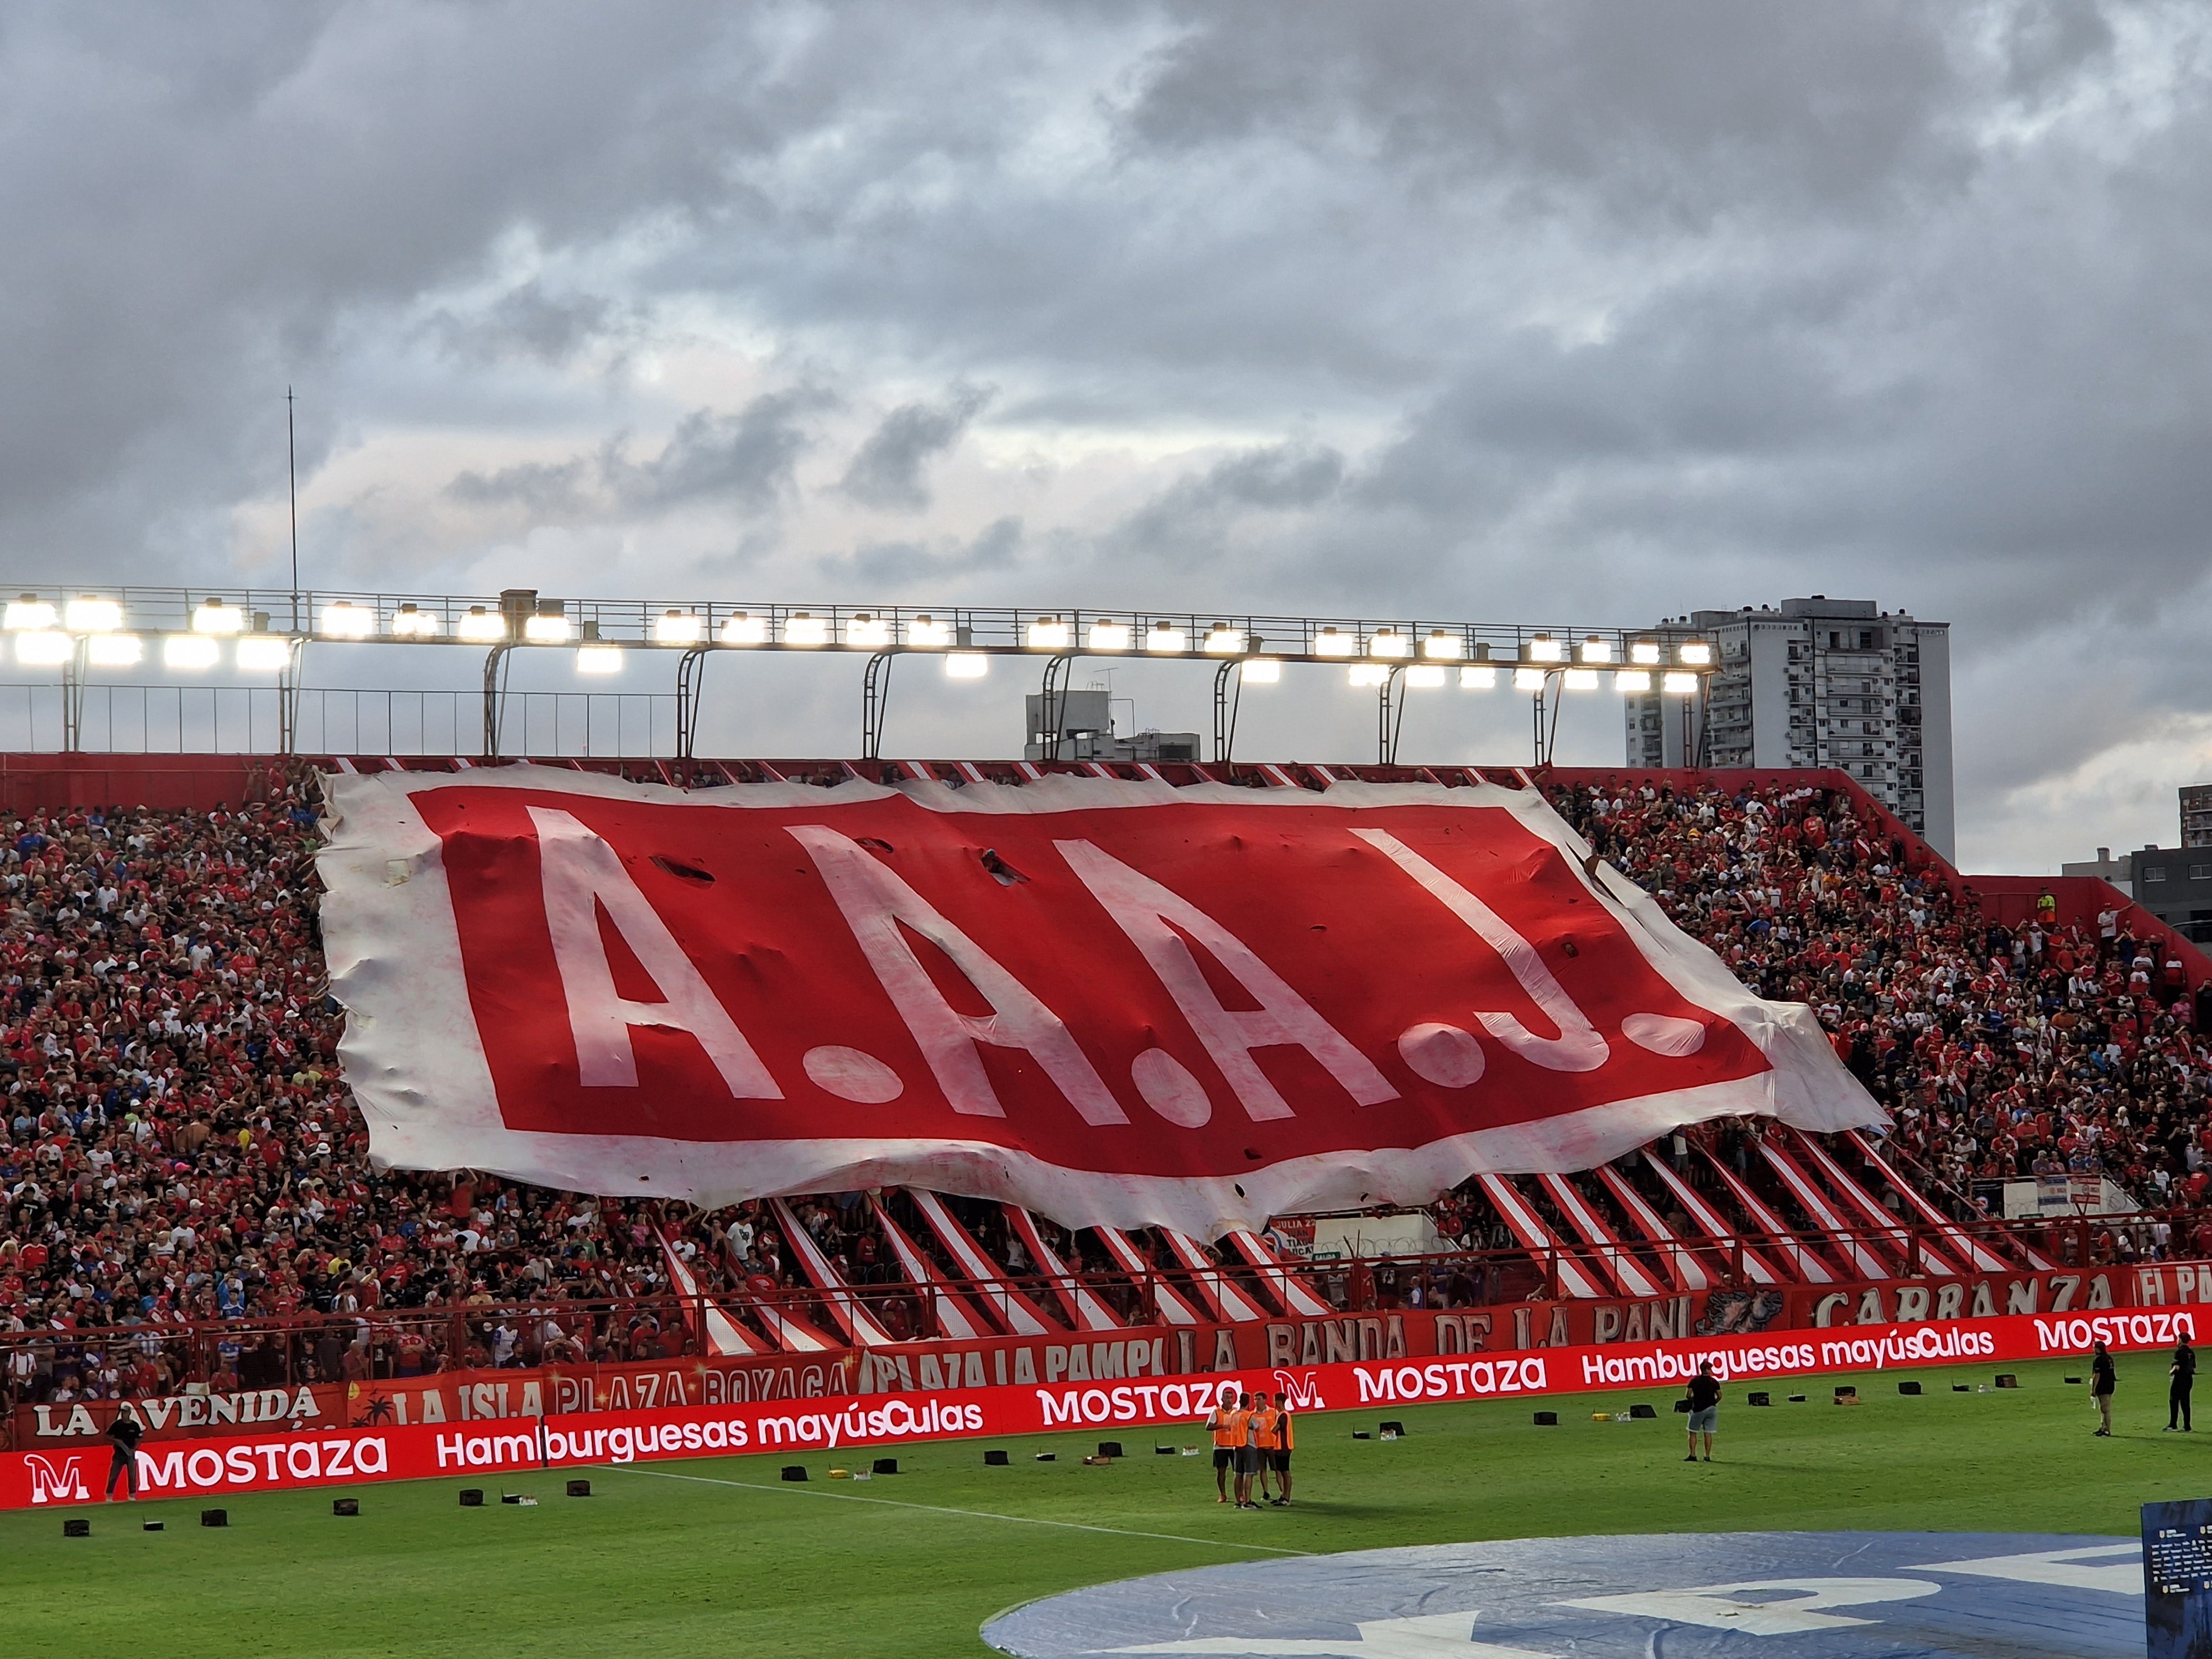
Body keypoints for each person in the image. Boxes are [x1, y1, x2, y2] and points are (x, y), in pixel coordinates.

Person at [1205, 1392, 1242, 1505]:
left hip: (1234, 1445)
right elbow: (1208, 1427)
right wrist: (1222, 1426)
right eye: (1227, 1398)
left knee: (1239, 1472)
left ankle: (1240, 1494)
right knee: (1221, 1472)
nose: (1229, 1400)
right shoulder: (1216, 1412)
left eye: (1231, 1398)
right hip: (1220, 1446)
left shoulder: (1236, 1412)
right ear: (1222, 1399)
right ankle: (1223, 1494)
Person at [105, 1401, 144, 1501]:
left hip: (130, 1453)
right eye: (122, 1412)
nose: (123, 1414)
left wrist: (135, 1447)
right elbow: (107, 1435)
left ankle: (132, 1495)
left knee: (132, 1476)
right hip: (119, 1454)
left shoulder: (134, 1425)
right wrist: (115, 1441)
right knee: (114, 1475)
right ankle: (109, 1495)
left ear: (129, 1413)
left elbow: (139, 1438)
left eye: (125, 1412)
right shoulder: (117, 1424)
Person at [1685, 1360, 1721, 1462]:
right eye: (1710, 1369)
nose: (1712, 1372)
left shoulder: (1694, 1381)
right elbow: (1720, 1396)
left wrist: (1694, 1400)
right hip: (1712, 1409)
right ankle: (1707, 1456)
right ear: (1707, 1370)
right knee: (1708, 1433)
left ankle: (1693, 1455)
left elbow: (1688, 1395)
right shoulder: (1714, 1382)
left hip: (1698, 1410)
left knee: (1692, 1432)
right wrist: (1713, 1402)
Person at [1249, 1391, 1280, 1504]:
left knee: (1278, 1470)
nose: (1256, 1402)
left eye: (1259, 1399)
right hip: (1259, 1446)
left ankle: (1283, 1492)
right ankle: (1266, 1492)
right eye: (1255, 1399)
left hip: (1273, 1445)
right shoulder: (1252, 1415)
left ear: (1265, 1400)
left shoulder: (1273, 1412)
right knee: (1263, 1470)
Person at [2171, 1336, 2196, 1433]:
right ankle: (2187, 1426)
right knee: (2186, 1402)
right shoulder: (2191, 1352)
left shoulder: (2179, 1352)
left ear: (2180, 1340)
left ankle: (2173, 1425)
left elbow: (2177, 1367)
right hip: (2189, 1379)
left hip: (2179, 1379)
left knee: (2174, 1401)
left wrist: (2171, 1372)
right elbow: (2193, 1368)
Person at [2092, 1339, 2117, 1436]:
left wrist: (2093, 1389)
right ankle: (2103, 1427)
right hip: (2110, 1384)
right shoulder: (2109, 1358)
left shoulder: (2098, 1360)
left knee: (2105, 1409)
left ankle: (2107, 1429)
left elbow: (2097, 1376)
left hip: (2103, 1386)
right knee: (2104, 1408)